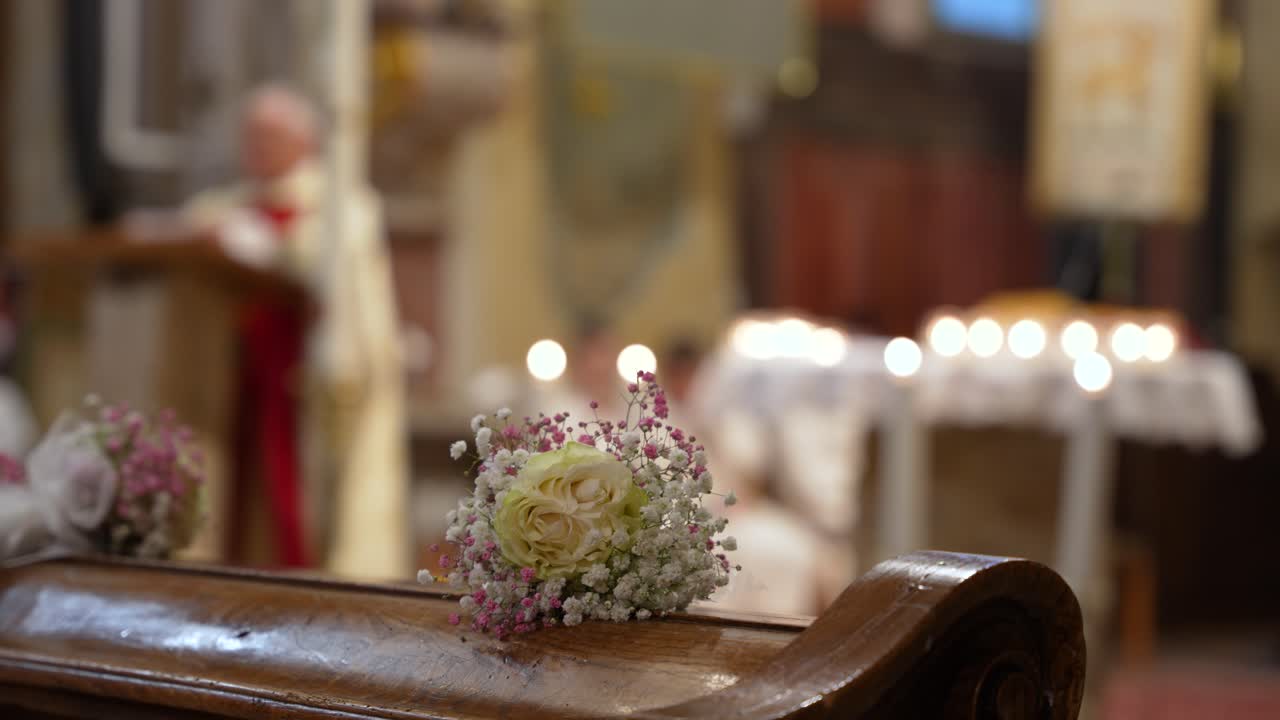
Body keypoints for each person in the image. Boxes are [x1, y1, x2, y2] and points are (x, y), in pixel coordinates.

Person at [184, 86, 409, 579]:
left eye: (271, 135)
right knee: (230, 498)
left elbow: (329, 275)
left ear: (304, 142)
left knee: (298, 501)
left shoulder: (342, 208)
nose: (257, 146)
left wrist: (267, 245)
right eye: (251, 135)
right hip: (231, 373)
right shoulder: (220, 208)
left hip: (302, 376)